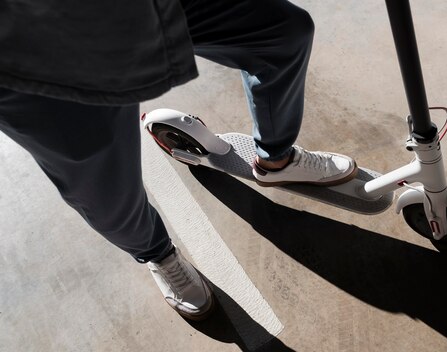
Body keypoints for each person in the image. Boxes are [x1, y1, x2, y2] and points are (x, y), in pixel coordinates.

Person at [0, 0, 357, 321]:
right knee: (102, 188)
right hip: (35, 53)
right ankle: (156, 253)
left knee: (283, 34)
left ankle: (275, 159)